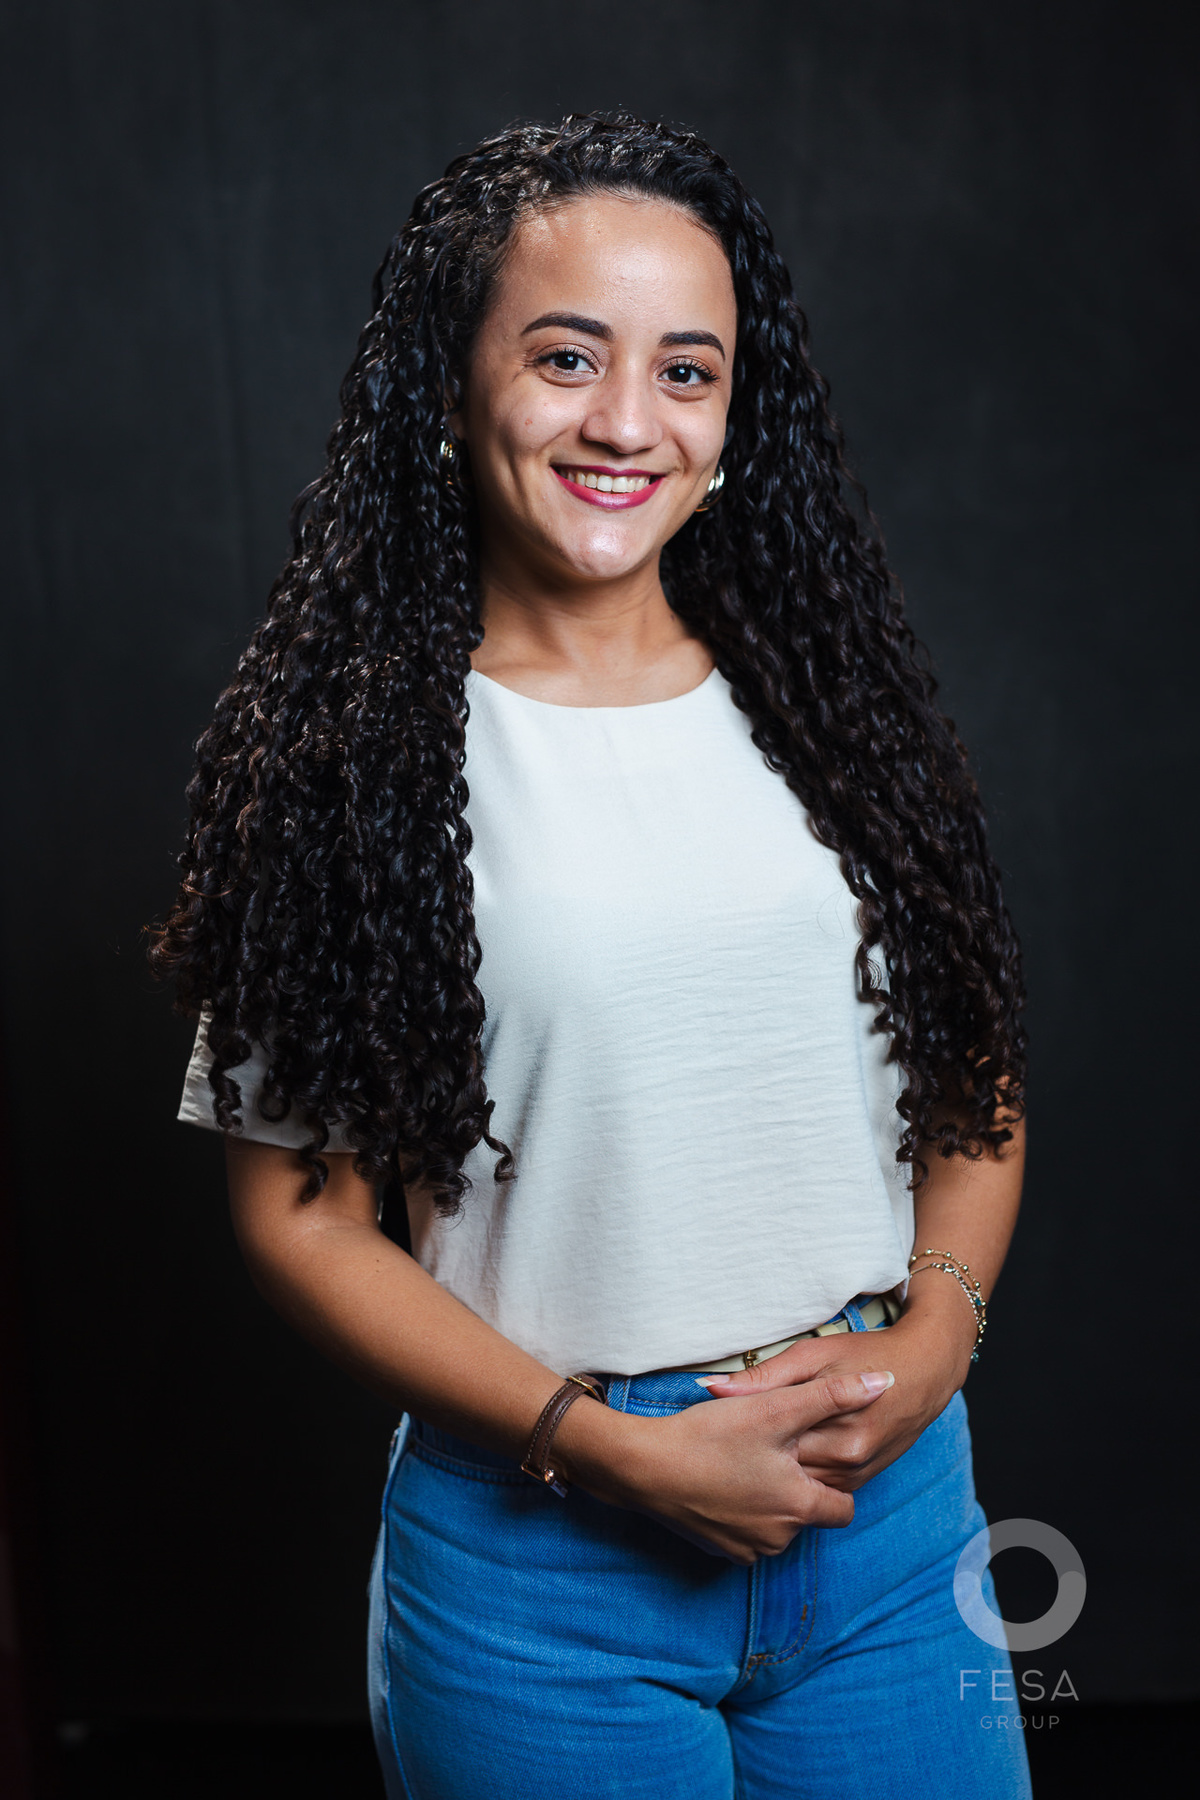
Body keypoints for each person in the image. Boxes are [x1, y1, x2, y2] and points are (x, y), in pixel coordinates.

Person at [153, 113, 1031, 1799]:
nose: (628, 421)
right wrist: (608, 1451)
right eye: (568, 357)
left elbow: (972, 1075)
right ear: (451, 385)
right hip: (541, 1555)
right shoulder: (348, 766)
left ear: (731, 417)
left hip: (890, 1523)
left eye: (686, 372)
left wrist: (936, 1339)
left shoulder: (837, 711)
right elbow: (302, 1217)